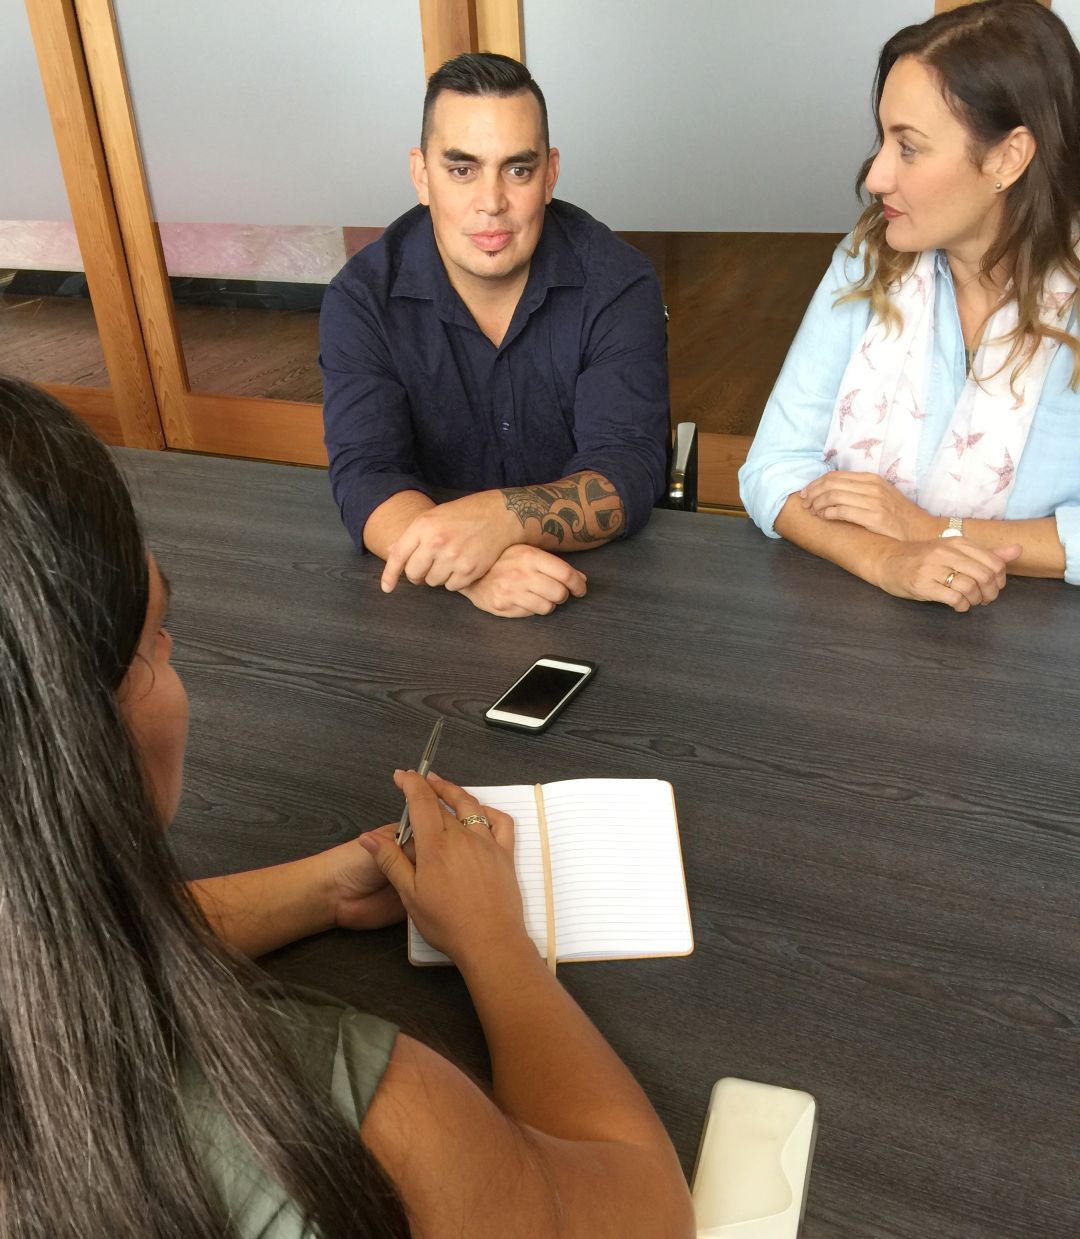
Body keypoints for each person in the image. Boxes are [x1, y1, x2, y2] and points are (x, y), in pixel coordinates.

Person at [0, 375, 694, 1237]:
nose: (171, 660)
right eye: (152, 642)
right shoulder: (336, 1116)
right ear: (64, 733)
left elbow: (62, 945)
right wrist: (494, 940)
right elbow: (648, 1211)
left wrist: (322, 887)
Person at [739, 0, 1080, 612]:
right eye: (883, 139)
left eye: (910, 147)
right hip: (854, 630)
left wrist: (925, 528)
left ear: (1009, 157)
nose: (876, 175)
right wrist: (888, 559)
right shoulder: (867, 258)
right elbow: (772, 470)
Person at [319, 52, 670, 619]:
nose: (492, 203)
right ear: (421, 174)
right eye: (462, 169)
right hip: (429, 598)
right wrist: (471, 567)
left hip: (600, 586)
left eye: (518, 169)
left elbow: (627, 471)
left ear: (550, 173)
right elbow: (367, 474)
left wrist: (499, 519)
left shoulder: (618, 283)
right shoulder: (362, 298)